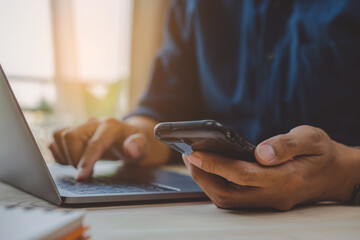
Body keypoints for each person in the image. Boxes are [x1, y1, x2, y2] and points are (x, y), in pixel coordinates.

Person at [49, 0, 360, 210]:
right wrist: (133, 135)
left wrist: (344, 173)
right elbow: (163, 110)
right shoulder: (191, 6)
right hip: (208, 212)